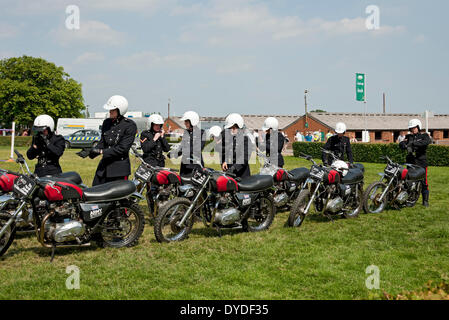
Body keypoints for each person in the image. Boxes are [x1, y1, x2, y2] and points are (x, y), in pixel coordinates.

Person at [78, 95, 137, 186]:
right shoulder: (107, 123)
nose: (110, 112)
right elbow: (102, 143)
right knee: (95, 193)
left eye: (112, 110)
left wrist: (101, 151)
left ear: (120, 110)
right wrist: (91, 151)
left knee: (116, 198)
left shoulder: (129, 125)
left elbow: (122, 149)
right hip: (104, 168)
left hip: (119, 170)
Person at [399, 119, 431, 207]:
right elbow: (403, 143)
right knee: (409, 181)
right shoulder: (408, 137)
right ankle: (409, 199)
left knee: (424, 182)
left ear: (418, 127)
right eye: (411, 128)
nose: (413, 130)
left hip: (422, 163)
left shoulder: (424, 136)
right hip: (411, 162)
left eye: (414, 128)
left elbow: (426, 142)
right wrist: (402, 144)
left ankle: (425, 201)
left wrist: (413, 144)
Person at [169, 111, 206, 176]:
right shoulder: (186, 133)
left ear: (192, 121)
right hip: (184, 166)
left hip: (195, 165)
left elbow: (197, 148)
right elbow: (182, 146)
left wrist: (183, 150)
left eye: (186, 121)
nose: (184, 123)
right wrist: (174, 154)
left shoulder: (201, 133)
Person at [219, 113, 254, 178]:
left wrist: (234, 168)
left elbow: (244, 158)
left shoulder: (246, 139)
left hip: (242, 174)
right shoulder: (228, 138)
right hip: (229, 173)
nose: (231, 130)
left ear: (239, 127)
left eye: (233, 128)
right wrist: (224, 162)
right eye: (229, 128)